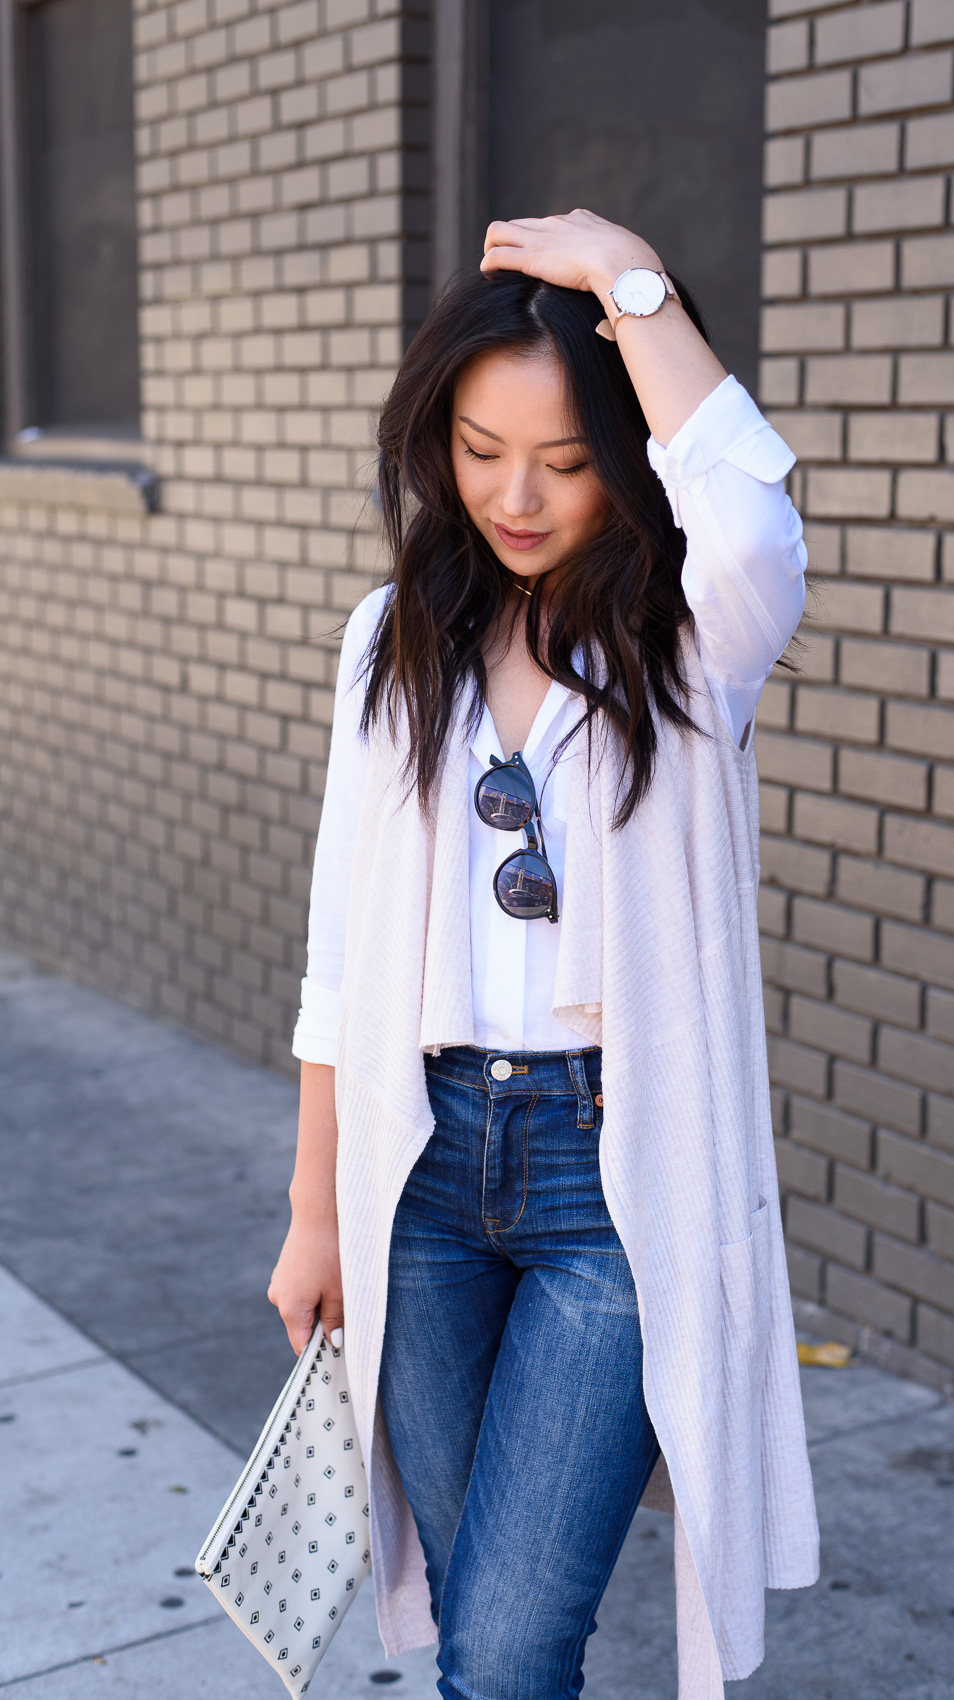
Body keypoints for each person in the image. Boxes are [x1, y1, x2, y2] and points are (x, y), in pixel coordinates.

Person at [269, 209, 819, 1700]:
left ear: (627, 460)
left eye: (567, 462)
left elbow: (758, 518)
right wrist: (315, 1210)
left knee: (508, 1653)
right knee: (475, 1619)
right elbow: (337, 950)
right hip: (419, 1165)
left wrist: (630, 281)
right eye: (479, 448)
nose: (515, 495)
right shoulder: (392, 639)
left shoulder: (696, 641)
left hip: (610, 1178)